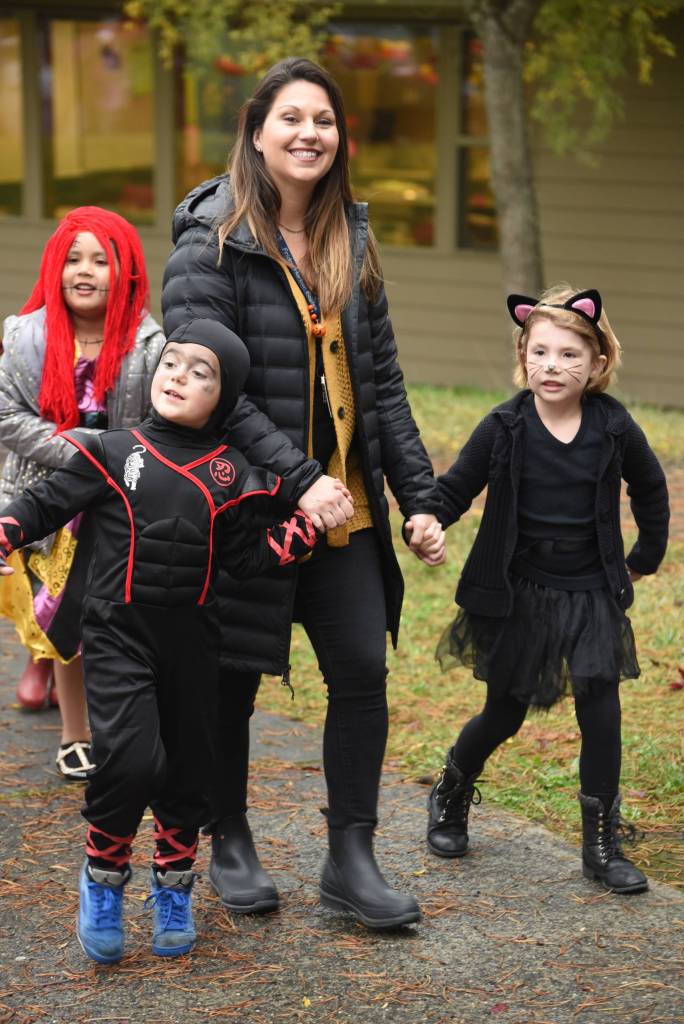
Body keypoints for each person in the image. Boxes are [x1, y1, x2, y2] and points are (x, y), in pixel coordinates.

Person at [163, 57, 444, 930]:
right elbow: (214, 386)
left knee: (361, 671)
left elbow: (383, 382)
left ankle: (350, 858)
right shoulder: (209, 240)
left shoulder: (351, 239)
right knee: (230, 681)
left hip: (344, 507)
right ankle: (231, 840)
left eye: (324, 120)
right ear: (256, 131)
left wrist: (419, 496)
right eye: (291, 118)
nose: (309, 134)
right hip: (244, 506)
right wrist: (299, 478)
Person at [0, 318, 317, 964]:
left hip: (193, 642)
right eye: (173, 363)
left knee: (188, 770)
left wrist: (301, 534)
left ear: (223, 400)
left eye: (203, 373)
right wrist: (5, 530)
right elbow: (46, 502)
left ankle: (173, 886)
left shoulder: (230, 473)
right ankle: (103, 878)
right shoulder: (113, 452)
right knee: (132, 759)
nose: (180, 377)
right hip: (118, 636)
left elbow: (246, 557)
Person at [427, 285, 669, 894]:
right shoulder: (505, 425)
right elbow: (457, 487)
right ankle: (453, 788)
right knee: (505, 711)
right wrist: (428, 517)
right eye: (540, 353)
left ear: (597, 363)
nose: (553, 366)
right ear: (523, 355)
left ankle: (601, 843)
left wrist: (646, 554)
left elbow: (650, 487)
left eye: (569, 354)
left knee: (602, 711)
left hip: (590, 590)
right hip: (522, 590)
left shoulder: (613, 426)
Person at [0, 207, 164, 780]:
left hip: (119, 502)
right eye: (73, 259)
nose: (85, 270)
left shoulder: (148, 346)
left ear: (127, 271)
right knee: (64, 615)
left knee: (110, 616)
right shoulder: (26, 336)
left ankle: (124, 722)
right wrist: (85, 454)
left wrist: (113, 465)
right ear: (54, 265)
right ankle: (75, 731)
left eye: (100, 259)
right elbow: (7, 415)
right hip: (47, 500)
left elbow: (155, 425)